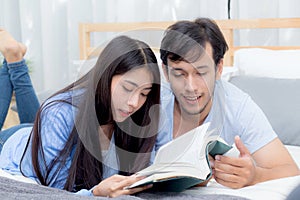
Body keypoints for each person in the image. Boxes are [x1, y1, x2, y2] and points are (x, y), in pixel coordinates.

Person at [0, 29, 161, 197]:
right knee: (50, 115)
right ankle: (14, 59)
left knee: (41, 121)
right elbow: (56, 192)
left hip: (40, 137)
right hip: (10, 143)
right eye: (127, 88)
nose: (134, 103)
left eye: (144, 93)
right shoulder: (58, 114)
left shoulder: (140, 114)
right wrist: (95, 193)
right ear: (105, 77)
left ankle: (13, 59)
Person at [154, 18, 299, 189]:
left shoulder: (236, 105)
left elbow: (289, 170)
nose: (190, 87)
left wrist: (255, 176)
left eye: (201, 72)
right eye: (179, 74)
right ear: (165, 71)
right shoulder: (149, 101)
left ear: (219, 68)